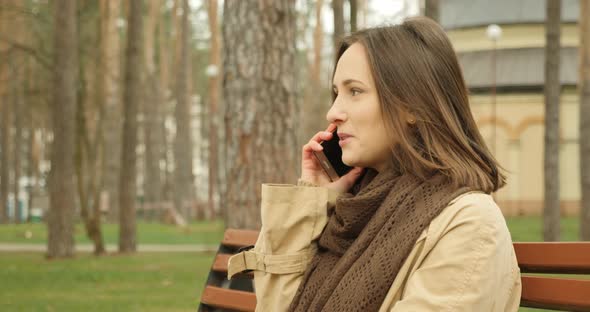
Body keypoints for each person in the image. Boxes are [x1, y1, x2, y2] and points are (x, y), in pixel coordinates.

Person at [228, 16, 521, 312]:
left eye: (354, 91)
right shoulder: (355, 211)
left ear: (412, 106)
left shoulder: (470, 225)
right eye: (336, 93)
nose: (333, 112)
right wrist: (311, 199)